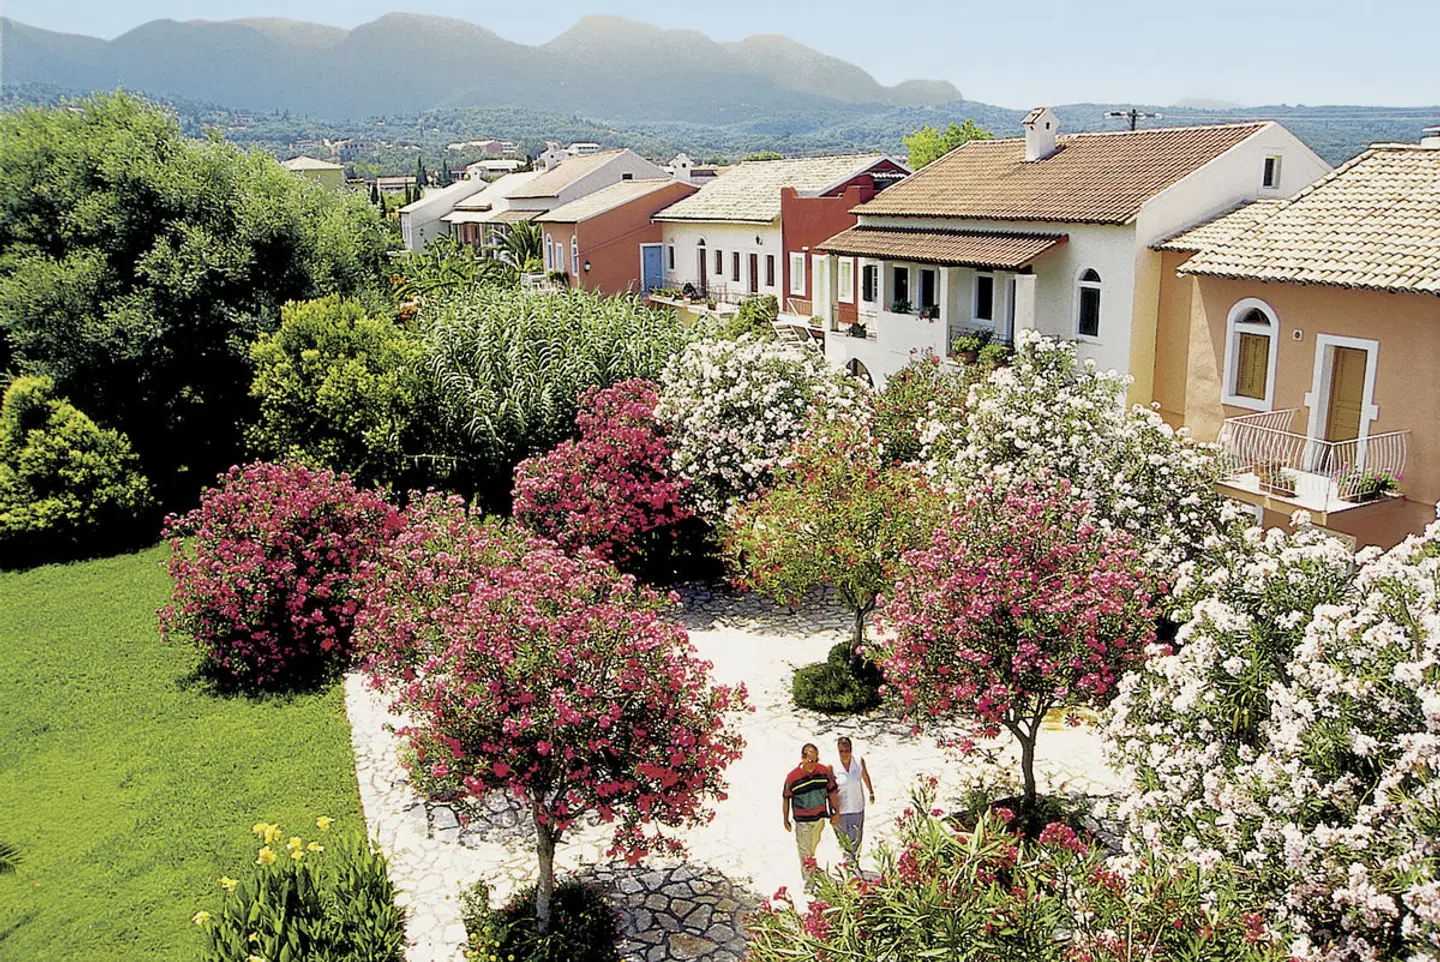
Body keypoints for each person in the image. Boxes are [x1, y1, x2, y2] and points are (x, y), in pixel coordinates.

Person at [782, 743, 839, 882]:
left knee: (811, 848)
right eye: (810, 761)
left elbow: (832, 792)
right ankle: (809, 881)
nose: (813, 764)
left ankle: (811, 868)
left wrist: (835, 811)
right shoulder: (792, 778)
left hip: (819, 820)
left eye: (815, 760)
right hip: (803, 821)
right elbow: (786, 798)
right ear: (802, 758)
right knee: (805, 852)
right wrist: (786, 819)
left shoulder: (824, 772)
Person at [832, 736, 874, 861]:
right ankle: (848, 867)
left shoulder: (858, 763)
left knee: (856, 839)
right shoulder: (833, 766)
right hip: (841, 809)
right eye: (841, 751)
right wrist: (832, 810)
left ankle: (854, 865)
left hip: (857, 807)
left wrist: (871, 792)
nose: (844, 754)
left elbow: (865, 776)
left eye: (847, 750)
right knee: (844, 841)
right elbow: (829, 789)